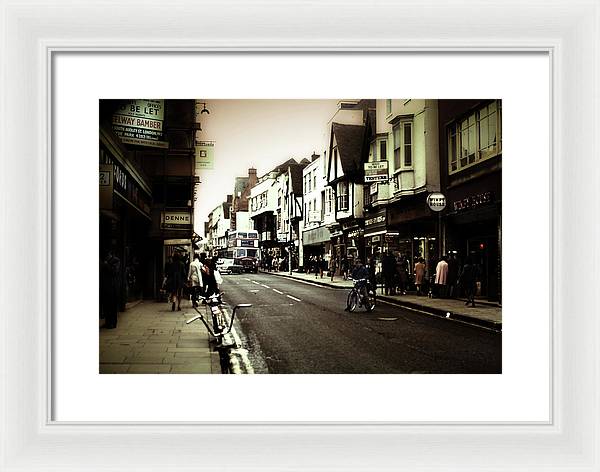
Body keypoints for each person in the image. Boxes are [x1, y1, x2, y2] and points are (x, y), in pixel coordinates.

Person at [100, 249, 120, 329]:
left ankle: (113, 323)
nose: (106, 257)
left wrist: (106, 265)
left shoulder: (116, 260)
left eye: (107, 255)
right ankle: (107, 322)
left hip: (112, 287)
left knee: (112, 306)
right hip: (104, 286)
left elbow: (114, 272)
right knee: (106, 306)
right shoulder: (103, 261)